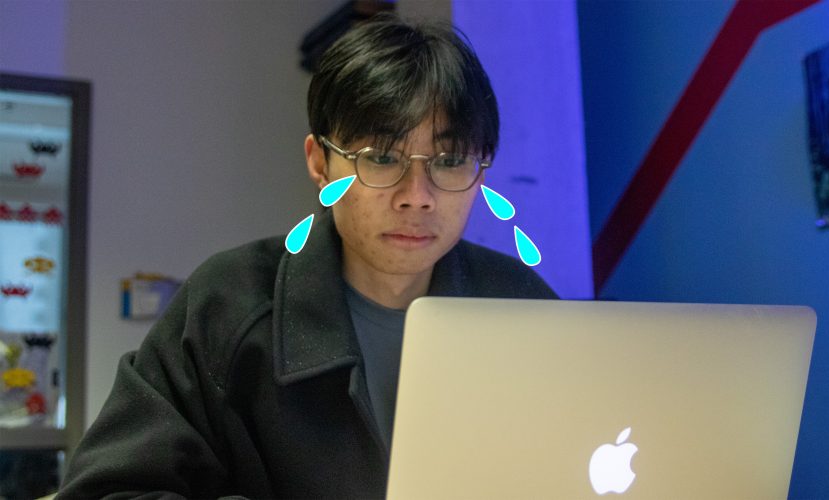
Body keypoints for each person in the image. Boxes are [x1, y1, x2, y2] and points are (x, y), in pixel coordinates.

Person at [57, 13, 557, 499]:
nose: (417, 196)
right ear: (320, 163)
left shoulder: (520, 306)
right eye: (382, 158)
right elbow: (107, 491)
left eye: (449, 161)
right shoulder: (228, 307)